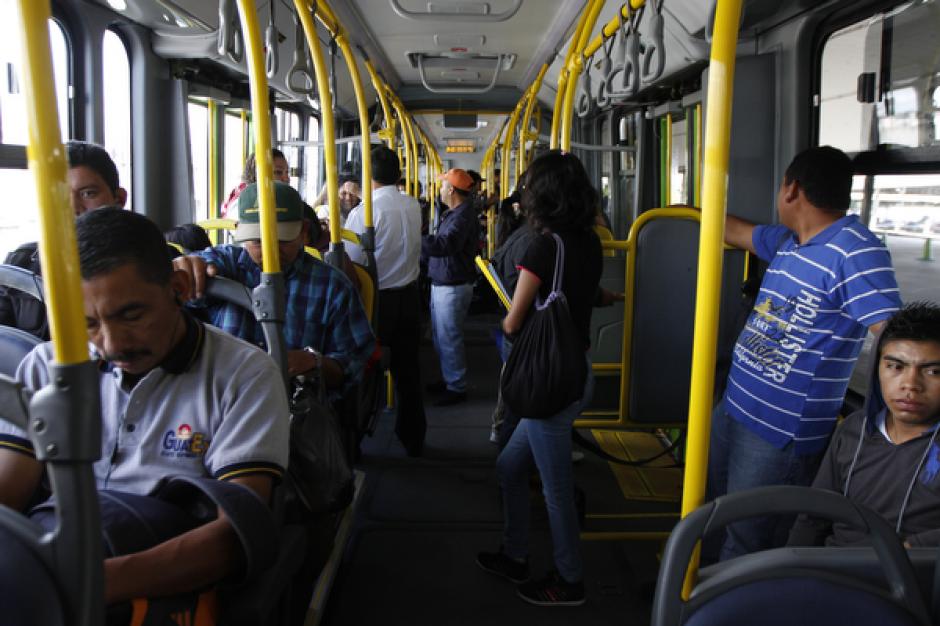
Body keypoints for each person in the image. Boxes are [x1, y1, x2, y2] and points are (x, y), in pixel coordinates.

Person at [0, 207, 289, 606]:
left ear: (179, 287)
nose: (112, 343)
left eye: (131, 315)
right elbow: (10, 489)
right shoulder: (47, 368)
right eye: (88, 324)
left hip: (168, 581)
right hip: (60, 560)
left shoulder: (244, 374)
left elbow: (235, 534)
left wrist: (88, 586)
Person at [706, 146, 903, 561]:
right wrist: (686, 210)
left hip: (780, 431)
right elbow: (733, 231)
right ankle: (690, 593)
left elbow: (898, 338)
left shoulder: (856, 249)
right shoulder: (789, 243)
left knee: (750, 541)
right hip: (736, 408)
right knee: (714, 514)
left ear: (791, 189)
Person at [476, 151, 602, 606]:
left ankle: (570, 581)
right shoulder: (589, 241)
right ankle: (515, 553)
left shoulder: (541, 247)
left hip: (550, 381)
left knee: (556, 492)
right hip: (574, 370)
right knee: (510, 466)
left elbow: (513, 323)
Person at [174, 182, 375, 395]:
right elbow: (199, 269)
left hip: (296, 410)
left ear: (304, 232)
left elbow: (354, 363)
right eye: (258, 241)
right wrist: (187, 268)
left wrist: (313, 361)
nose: (270, 251)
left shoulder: (333, 286)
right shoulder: (227, 265)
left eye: (282, 240)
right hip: (223, 399)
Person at [788, 302, 940, 548]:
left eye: (933, 371)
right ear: (877, 369)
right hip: (833, 570)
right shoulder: (853, 429)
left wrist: (913, 546)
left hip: (908, 578)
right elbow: (814, 515)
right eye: (895, 367)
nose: (910, 385)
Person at [0, 140, 128, 339]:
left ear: (118, 199)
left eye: (88, 193)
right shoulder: (22, 263)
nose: (73, 208)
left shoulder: (147, 260)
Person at [345, 146, 427, 456]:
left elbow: (351, 262)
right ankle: (413, 438)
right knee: (409, 373)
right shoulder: (412, 205)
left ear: (368, 175)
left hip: (377, 302)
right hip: (409, 298)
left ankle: (355, 441)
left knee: (364, 370)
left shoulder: (364, 213)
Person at [423, 169, 480, 406]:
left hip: (453, 286)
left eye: (443, 186)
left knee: (449, 338)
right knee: (440, 337)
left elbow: (447, 245)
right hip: (444, 283)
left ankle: (457, 386)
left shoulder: (463, 217)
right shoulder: (455, 213)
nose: (440, 191)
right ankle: (449, 379)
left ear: (452, 190)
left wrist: (417, 239)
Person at [220, 148, 291, 218]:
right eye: (278, 172)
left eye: (287, 172)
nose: (286, 178)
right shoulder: (241, 203)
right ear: (257, 173)